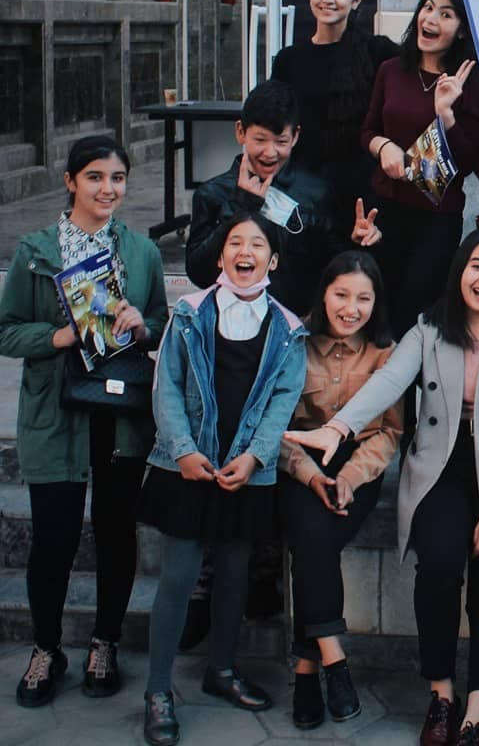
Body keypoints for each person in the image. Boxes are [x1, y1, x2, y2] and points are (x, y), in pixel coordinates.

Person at [284, 229, 479, 746]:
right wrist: (340, 427)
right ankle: (442, 694)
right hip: (439, 468)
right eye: (476, 265)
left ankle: (478, 713)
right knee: (439, 567)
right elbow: (387, 382)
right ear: (459, 270)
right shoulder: (428, 328)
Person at [0, 136, 168, 707]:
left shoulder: (141, 252)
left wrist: (141, 324)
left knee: (117, 534)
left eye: (117, 178)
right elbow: (6, 331)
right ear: (70, 181)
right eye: (95, 177)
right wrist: (58, 336)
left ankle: (105, 642)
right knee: (54, 538)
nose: (107, 189)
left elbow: (160, 322)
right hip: (55, 412)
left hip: (119, 414)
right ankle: (46, 648)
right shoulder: (36, 251)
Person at [139, 213, 307, 746]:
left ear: (272, 260)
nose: (245, 251)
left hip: (244, 470)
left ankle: (222, 668)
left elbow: (283, 401)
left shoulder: (288, 329)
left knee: (235, 570)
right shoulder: (189, 313)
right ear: (220, 257)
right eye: (235, 242)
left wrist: (256, 458)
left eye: (257, 244)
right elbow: (167, 387)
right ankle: (158, 690)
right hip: (188, 467)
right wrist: (184, 451)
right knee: (179, 576)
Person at [278, 251, 401, 730]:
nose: (351, 309)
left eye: (363, 298)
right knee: (312, 532)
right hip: (298, 463)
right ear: (324, 294)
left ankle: (307, 669)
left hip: (358, 465)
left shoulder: (386, 353)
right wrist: (311, 475)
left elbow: (389, 433)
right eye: (341, 295)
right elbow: (276, 427)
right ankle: (331, 659)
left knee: (313, 538)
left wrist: (348, 478)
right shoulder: (293, 342)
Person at [360, 0, 479, 339]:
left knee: (416, 321)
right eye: (428, 7)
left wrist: (446, 114)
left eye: (446, 14)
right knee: (376, 313)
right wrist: (383, 147)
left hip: (436, 219)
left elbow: (469, 162)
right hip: (383, 209)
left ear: (461, 29)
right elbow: (367, 131)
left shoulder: (471, 82)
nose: (430, 19)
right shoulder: (391, 70)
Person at [187, 79, 379, 317]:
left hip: (298, 322)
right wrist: (240, 208)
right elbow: (198, 273)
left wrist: (356, 244)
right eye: (260, 140)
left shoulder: (316, 192)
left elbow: (334, 268)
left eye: (281, 142)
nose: (270, 153)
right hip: (228, 323)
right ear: (240, 132)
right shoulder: (212, 193)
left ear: (295, 136)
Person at [271, 0, 398, 217]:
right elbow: (275, 120)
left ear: (356, 0)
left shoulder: (378, 52)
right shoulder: (289, 59)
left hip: (366, 191)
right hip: (305, 190)